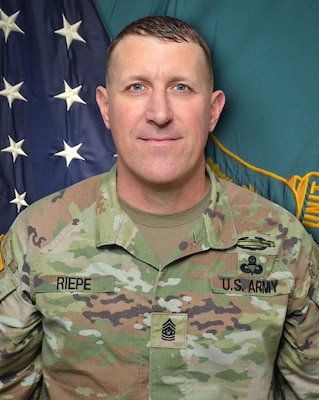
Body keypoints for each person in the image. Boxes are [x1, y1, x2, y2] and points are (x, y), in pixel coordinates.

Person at [0, 15, 319, 400]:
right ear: (104, 107)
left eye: (181, 87)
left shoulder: (284, 245)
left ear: (213, 110)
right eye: (136, 87)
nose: (160, 113)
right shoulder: (39, 234)